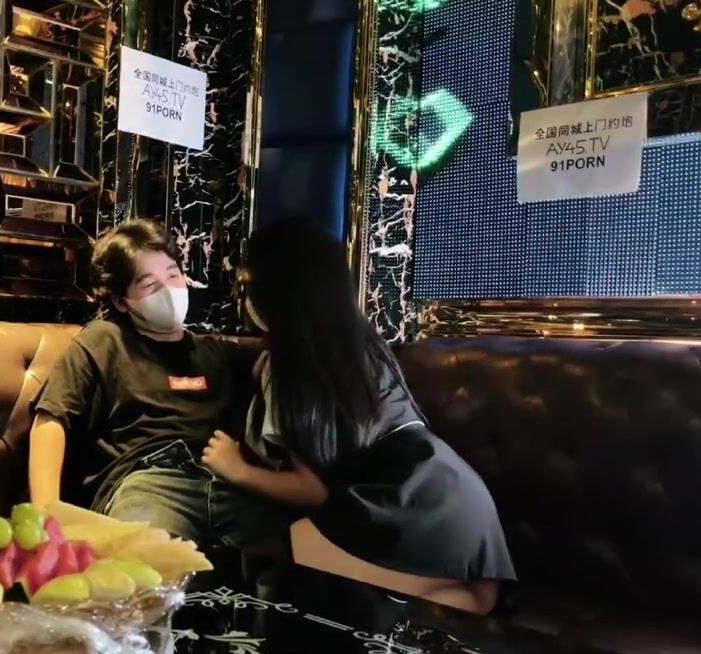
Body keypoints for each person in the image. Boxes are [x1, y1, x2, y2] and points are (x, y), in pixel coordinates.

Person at [200, 217, 516, 614]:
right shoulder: (364, 345)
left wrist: (236, 469)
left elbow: (313, 490)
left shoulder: (292, 369)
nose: (244, 298)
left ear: (277, 295)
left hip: (402, 509)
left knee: (300, 551)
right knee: (475, 600)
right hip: (459, 499)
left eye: (249, 286)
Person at [29, 219, 293, 547]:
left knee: (292, 558)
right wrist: (46, 520)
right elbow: (51, 419)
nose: (168, 290)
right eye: (150, 285)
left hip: (226, 480)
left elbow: (282, 368)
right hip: (148, 482)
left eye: (172, 275)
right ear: (121, 301)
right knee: (145, 564)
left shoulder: (217, 352)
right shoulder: (105, 340)